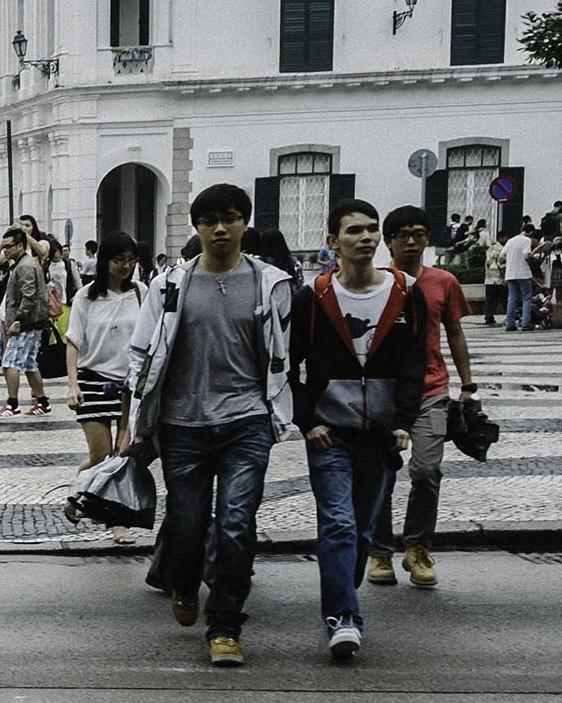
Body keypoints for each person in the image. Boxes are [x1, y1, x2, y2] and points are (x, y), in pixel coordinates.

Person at [129, 185, 295, 669]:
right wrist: (136, 424)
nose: (220, 229)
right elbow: (141, 356)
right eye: (209, 221)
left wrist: (277, 410)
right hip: (183, 423)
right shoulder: (169, 286)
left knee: (239, 524)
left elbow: (283, 355)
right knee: (187, 522)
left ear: (245, 222)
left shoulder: (272, 284)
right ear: (197, 227)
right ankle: (183, 578)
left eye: (230, 219)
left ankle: (225, 625)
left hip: (247, 421)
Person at [290, 200, 424, 664]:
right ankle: (343, 618)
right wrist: (308, 421)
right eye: (354, 231)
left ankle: (344, 586)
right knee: (339, 524)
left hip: (382, 434)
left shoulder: (405, 292)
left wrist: (405, 421)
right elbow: (292, 367)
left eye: (371, 230)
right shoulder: (315, 297)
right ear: (334, 242)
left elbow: (415, 362)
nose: (365, 238)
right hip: (332, 432)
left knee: (363, 530)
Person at [363, 206, 478, 591]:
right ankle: (380, 551)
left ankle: (417, 547)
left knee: (426, 471)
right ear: (389, 240)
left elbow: (456, 333)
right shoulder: (375, 281)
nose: (411, 242)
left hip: (431, 390)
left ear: (428, 238)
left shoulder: (443, 281)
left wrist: (468, 384)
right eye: (403, 235)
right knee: (381, 474)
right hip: (386, 392)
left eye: (419, 234)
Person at [64, 232, 145, 542]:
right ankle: (78, 492)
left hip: (129, 385)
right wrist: (72, 384)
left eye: (130, 260)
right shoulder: (86, 296)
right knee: (101, 455)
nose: (125, 267)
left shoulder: (141, 292)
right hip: (93, 381)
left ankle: (118, 523)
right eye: (118, 260)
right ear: (104, 261)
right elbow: (73, 342)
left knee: (123, 457)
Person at [0, 226, 54, 419]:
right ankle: (42, 402)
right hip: (32, 322)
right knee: (29, 364)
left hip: (26, 323)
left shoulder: (25, 266)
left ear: (20, 246)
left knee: (9, 362)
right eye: (4, 247)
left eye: (9, 247)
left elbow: (29, 296)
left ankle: (12, 404)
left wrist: (18, 320)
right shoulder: (23, 263)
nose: (6, 251)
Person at [503, 219, 538, 331]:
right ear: (531, 232)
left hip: (510, 273)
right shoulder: (526, 240)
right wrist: (534, 255)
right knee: (526, 297)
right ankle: (525, 323)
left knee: (512, 297)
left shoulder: (511, 240)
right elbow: (526, 256)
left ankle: (510, 323)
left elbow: (501, 256)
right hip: (523, 273)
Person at [482, 233, 507, 325]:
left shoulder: (489, 248)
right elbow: (501, 264)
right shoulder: (501, 249)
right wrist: (504, 277)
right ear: (501, 238)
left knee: (490, 299)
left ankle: (489, 316)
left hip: (489, 279)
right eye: (505, 238)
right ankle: (510, 315)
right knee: (504, 298)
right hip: (498, 279)